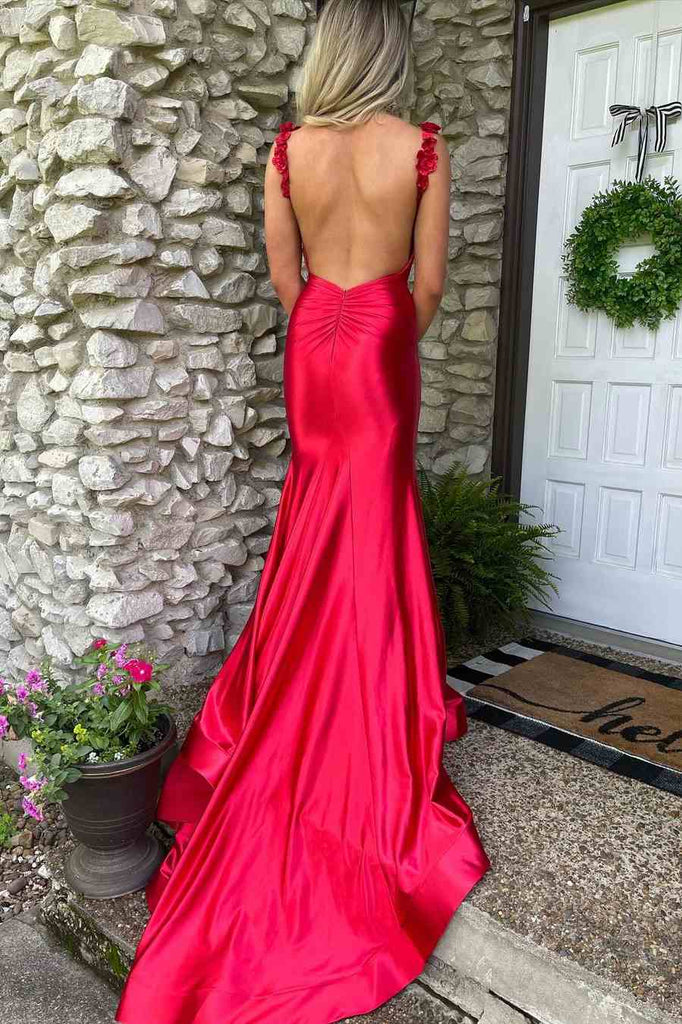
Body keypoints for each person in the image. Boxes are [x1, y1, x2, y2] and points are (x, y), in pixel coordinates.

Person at [114, 1, 490, 1022]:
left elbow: (287, 280)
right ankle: (368, 704)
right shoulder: (421, 147)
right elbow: (428, 286)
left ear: (328, 53)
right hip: (379, 346)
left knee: (315, 516)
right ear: (390, 54)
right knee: (375, 526)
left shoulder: (288, 151)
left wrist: (329, 322)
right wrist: (379, 335)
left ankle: (301, 687)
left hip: (314, 343)